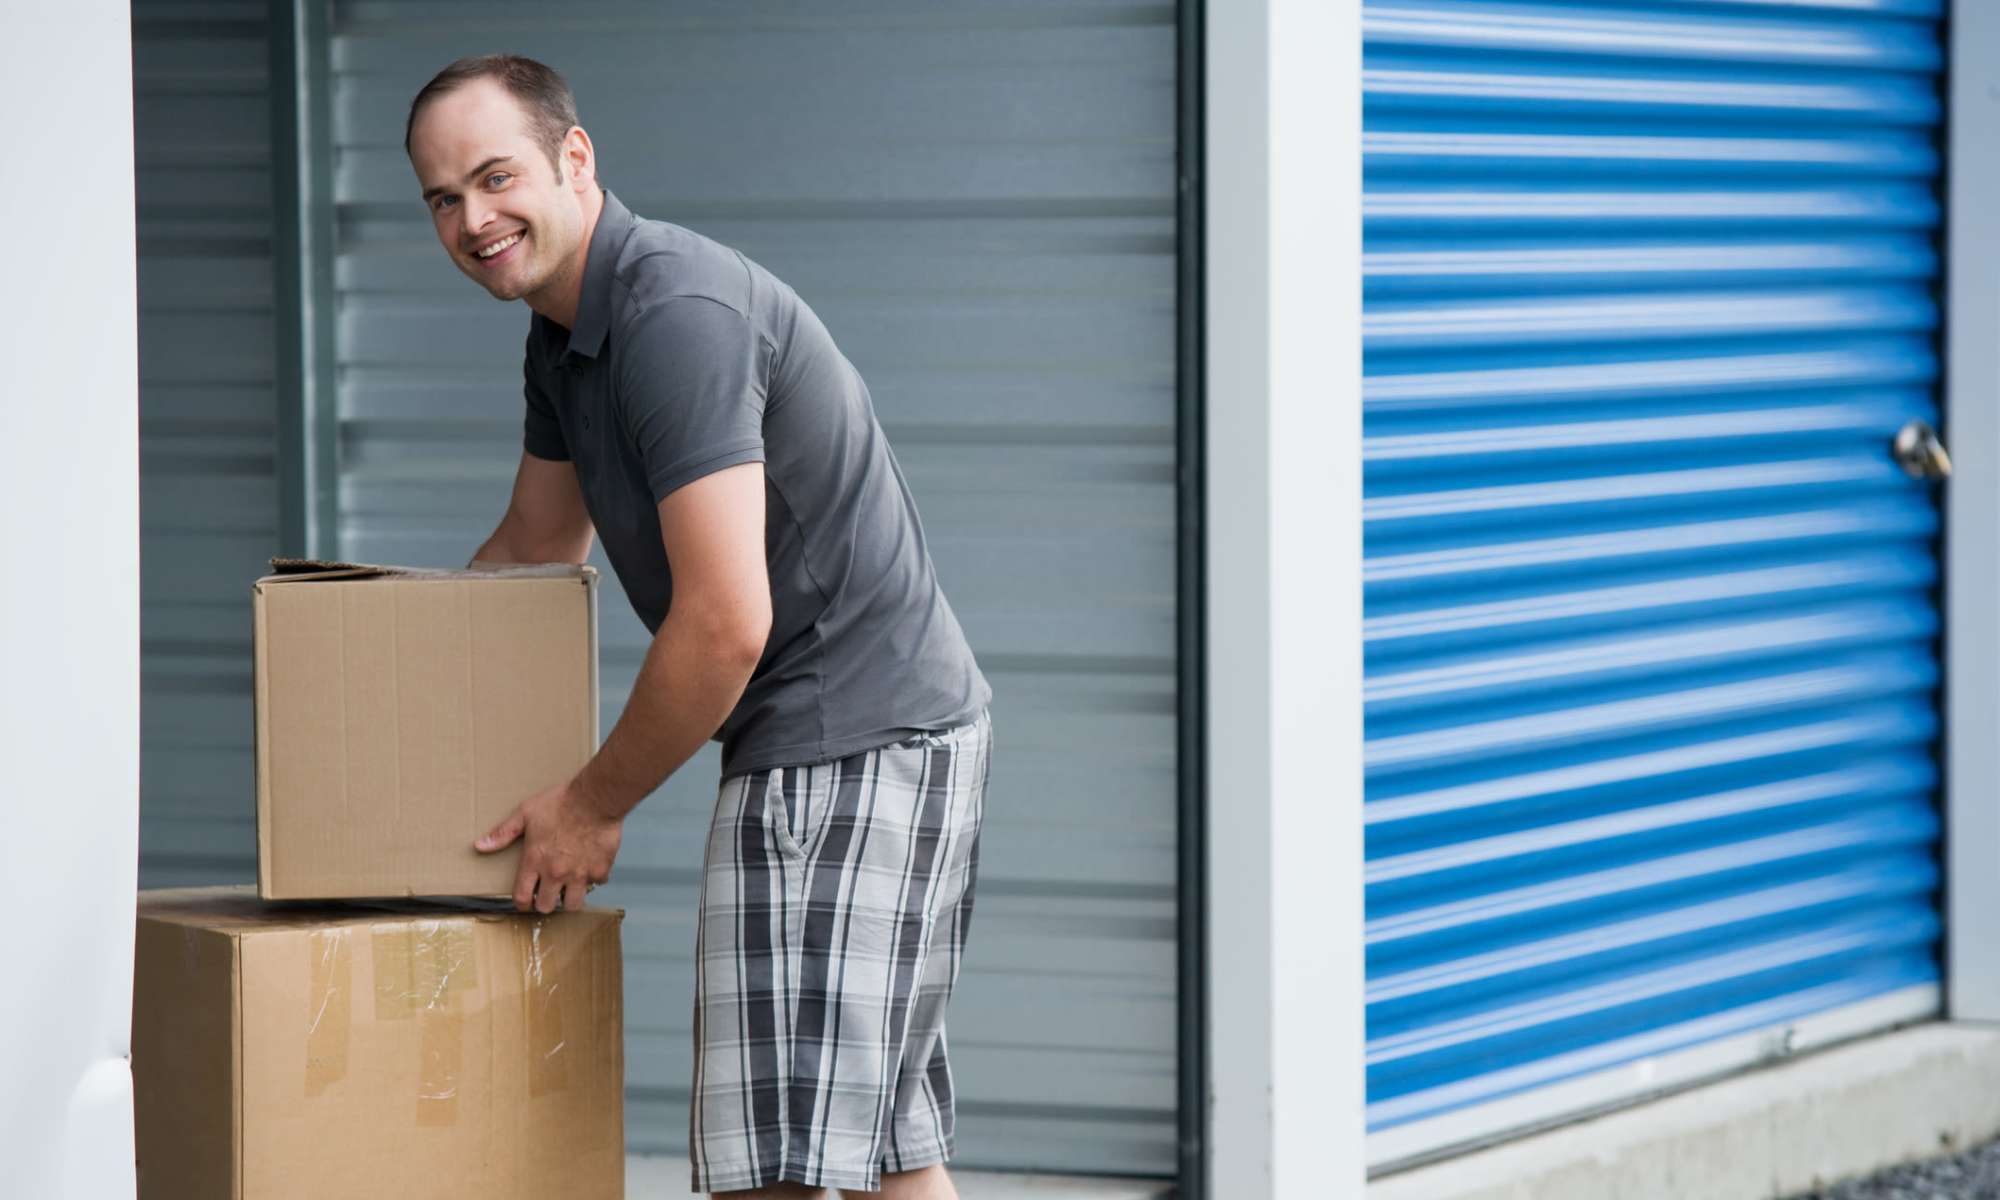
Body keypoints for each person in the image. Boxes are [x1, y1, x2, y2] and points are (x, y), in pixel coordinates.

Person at [403, 54, 993, 1200]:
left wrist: (589, 805)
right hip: (897, 733)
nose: (472, 220)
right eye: (441, 198)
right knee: (888, 1157)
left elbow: (724, 622)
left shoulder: (671, 314)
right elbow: (532, 549)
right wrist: (387, 688)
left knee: (768, 1171)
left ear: (575, 158)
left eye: (493, 177)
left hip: (840, 742)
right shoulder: (564, 336)